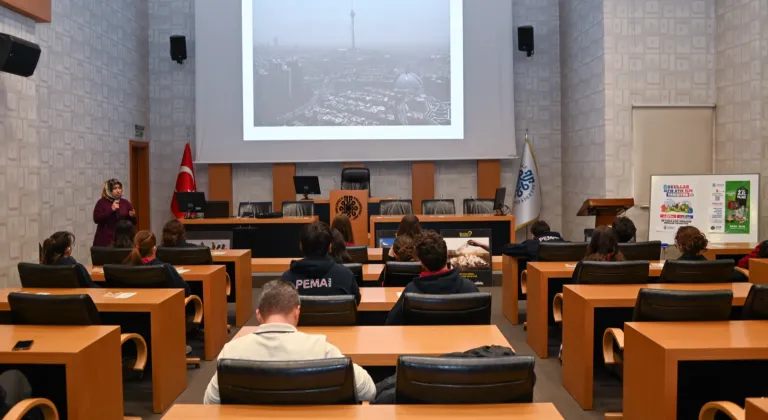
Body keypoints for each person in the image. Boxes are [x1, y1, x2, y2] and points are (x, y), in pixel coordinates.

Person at [203, 279, 376, 404]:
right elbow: (368, 390)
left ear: (258, 315)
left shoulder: (231, 351)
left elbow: (209, 402)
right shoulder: (320, 348)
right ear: (297, 312)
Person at [385, 231, 479, 325]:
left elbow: (391, 323)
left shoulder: (411, 291)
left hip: (420, 339)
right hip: (460, 339)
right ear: (447, 255)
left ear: (421, 262)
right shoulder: (470, 288)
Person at [281, 222, 360, 305]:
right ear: (330, 247)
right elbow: (355, 302)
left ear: (301, 246)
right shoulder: (346, 275)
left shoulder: (286, 280)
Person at [124, 231, 191, 297]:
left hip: (137, 306)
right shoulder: (165, 268)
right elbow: (186, 292)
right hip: (164, 307)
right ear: (154, 249)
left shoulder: (125, 269)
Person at [675, 226, 748, 282]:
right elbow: (742, 277)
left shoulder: (671, 270)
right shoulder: (718, 269)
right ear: (701, 243)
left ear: (679, 245)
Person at [93, 179, 137, 247]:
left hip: (123, 240)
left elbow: (134, 222)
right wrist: (111, 209)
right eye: (115, 188)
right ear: (108, 190)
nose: (118, 190)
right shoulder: (101, 202)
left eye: (119, 188)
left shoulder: (125, 203)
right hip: (105, 240)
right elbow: (96, 219)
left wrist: (132, 216)